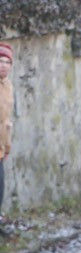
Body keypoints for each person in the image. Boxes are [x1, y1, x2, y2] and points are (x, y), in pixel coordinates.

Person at [0, 43, 12, 225]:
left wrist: (7, 146)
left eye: (7, 62)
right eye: (0, 61)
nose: (3, 65)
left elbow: (6, 121)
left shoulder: (8, 86)